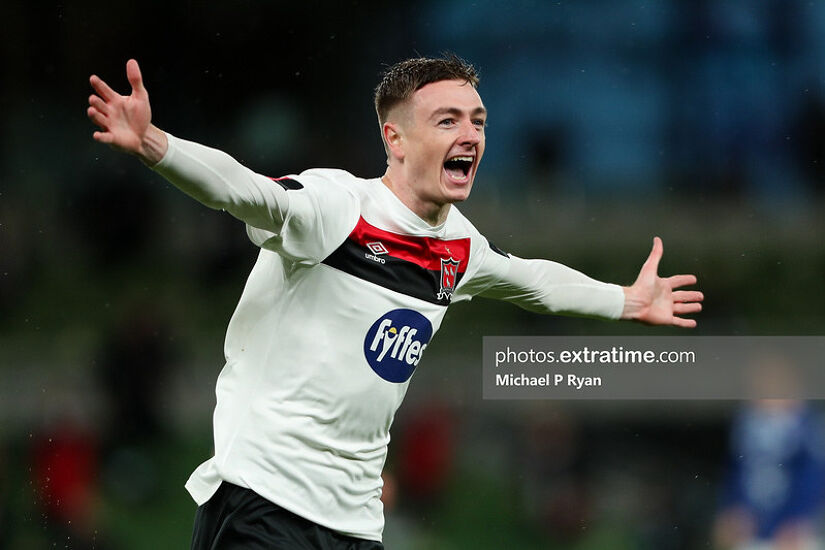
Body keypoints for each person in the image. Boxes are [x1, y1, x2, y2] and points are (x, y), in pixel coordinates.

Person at [87, 55, 703, 549]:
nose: (470, 134)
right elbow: (249, 194)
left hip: (356, 520)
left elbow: (533, 281)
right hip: (264, 499)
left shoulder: (459, 247)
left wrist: (624, 300)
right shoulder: (338, 207)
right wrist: (157, 146)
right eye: (448, 120)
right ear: (396, 139)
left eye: (478, 120)